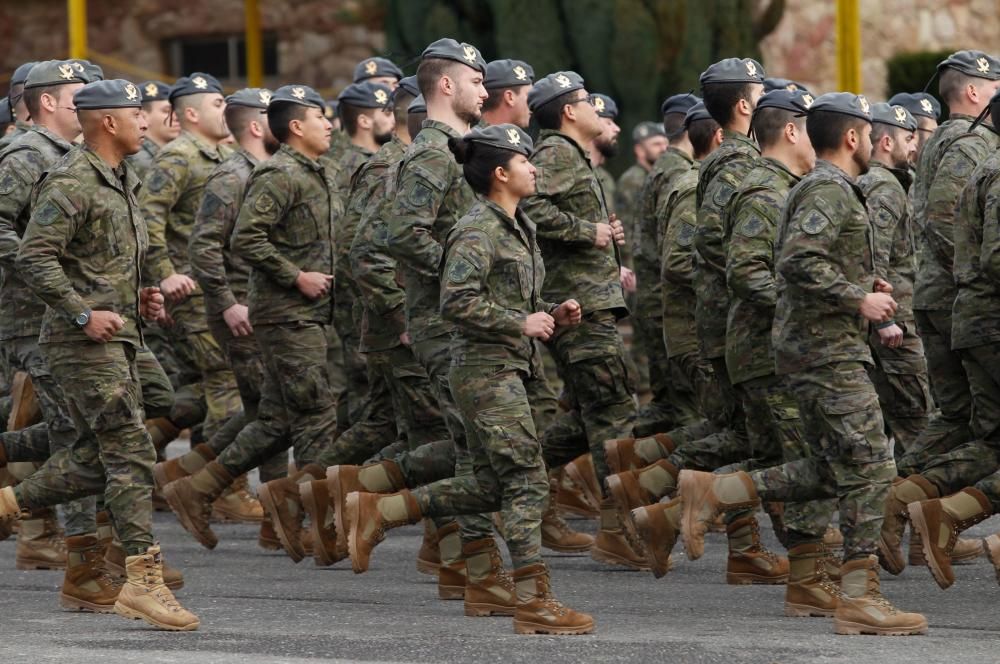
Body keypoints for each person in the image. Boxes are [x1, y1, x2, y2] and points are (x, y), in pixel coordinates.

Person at [677, 92, 927, 637]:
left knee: (835, 466)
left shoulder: (828, 188)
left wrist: (863, 286)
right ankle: (860, 596)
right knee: (872, 467)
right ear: (853, 137)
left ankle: (716, 491)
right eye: (866, 130)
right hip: (824, 351)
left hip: (823, 347)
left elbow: (810, 259)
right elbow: (797, 260)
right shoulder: (827, 189)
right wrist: (857, 299)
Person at [346, 123, 593, 636]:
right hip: (485, 371)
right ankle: (534, 599)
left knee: (486, 482)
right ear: (502, 173)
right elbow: (456, 300)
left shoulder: (514, 224)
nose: (535, 167)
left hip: (505, 365)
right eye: (526, 161)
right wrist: (519, 323)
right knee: (527, 479)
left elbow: (507, 300)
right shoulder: (478, 227)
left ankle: (382, 510)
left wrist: (551, 313)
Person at [1, 78, 198, 631]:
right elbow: (36, 257)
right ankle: (141, 580)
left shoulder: (119, 175)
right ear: (108, 122)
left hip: (121, 335)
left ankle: (8, 504)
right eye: (137, 113)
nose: (147, 120)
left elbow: (102, 256)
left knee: (104, 449)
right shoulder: (70, 181)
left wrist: (138, 295)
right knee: (129, 453)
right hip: (80, 343)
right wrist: (83, 312)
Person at [520, 72, 641, 567]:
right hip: (578, 308)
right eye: (588, 101)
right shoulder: (554, 154)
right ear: (569, 112)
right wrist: (584, 230)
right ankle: (620, 529)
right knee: (613, 414)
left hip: (589, 301)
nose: (597, 107)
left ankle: (517, 476)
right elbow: (526, 206)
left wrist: (606, 248)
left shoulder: (568, 156)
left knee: (587, 416)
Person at [127, 80, 179, 177]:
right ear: (143, 116)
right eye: (167, 111)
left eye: (176, 110)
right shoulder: (139, 160)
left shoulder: (168, 153)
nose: (176, 117)